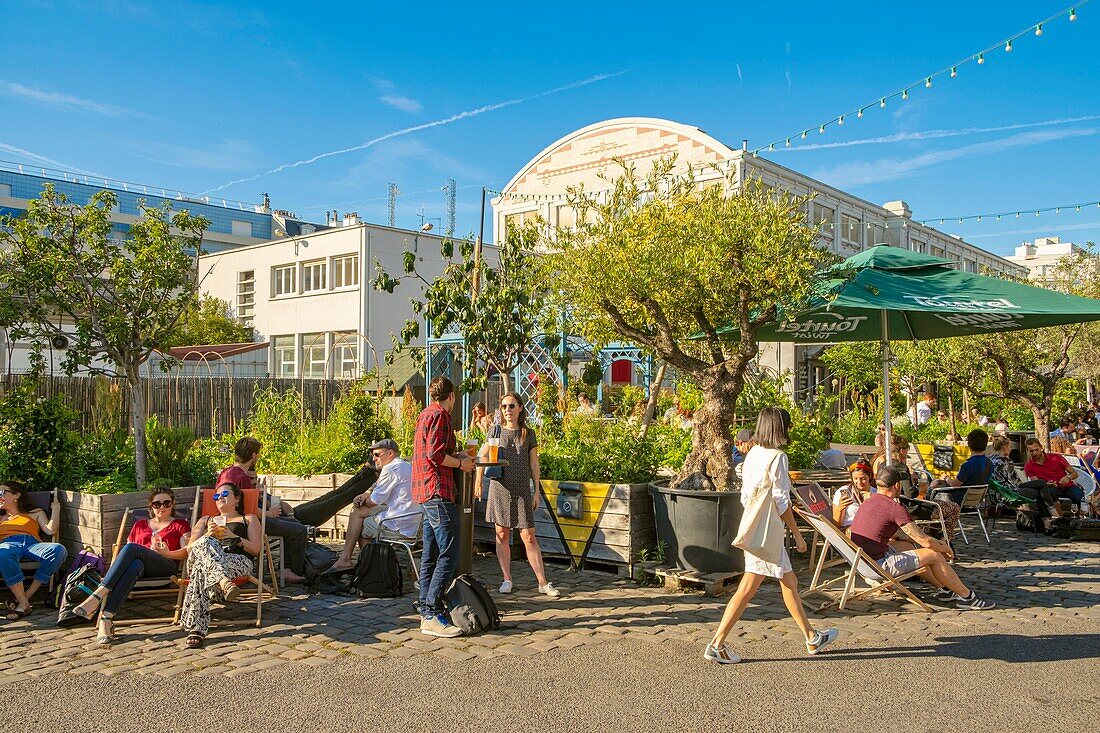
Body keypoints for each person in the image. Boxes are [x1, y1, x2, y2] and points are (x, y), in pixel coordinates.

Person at [704, 407, 839, 664]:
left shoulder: (753, 453)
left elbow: (748, 494)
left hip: (755, 526)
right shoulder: (778, 457)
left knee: (787, 582)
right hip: (768, 532)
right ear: (781, 428)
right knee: (749, 588)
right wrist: (798, 534)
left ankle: (811, 637)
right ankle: (716, 643)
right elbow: (781, 502)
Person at [850, 467, 995, 609]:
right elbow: (925, 540)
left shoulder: (868, 502)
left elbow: (899, 535)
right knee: (932, 554)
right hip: (878, 566)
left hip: (861, 562)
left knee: (912, 548)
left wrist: (930, 543)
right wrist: (944, 547)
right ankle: (967, 597)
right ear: (897, 485)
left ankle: (944, 589)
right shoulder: (894, 508)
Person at [73, 488, 191, 644]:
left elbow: (186, 553)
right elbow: (128, 555)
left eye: (166, 503)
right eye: (157, 503)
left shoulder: (180, 525)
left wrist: (167, 553)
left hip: (165, 566)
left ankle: (97, 595)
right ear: (151, 506)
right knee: (135, 563)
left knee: (131, 548)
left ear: (172, 504)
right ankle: (106, 620)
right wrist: (144, 552)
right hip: (140, 569)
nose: (162, 507)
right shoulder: (140, 524)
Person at [475, 392, 559, 597]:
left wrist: (536, 489)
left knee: (528, 536)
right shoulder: (495, 431)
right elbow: (482, 455)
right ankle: (507, 578)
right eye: (504, 406)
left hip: (521, 488)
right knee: (502, 534)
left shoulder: (527, 433)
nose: (507, 410)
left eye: (512, 406)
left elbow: (534, 463)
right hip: (500, 487)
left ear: (520, 408)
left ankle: (542, 582)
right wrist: (478, 481)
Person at [412, 376, 474, 639]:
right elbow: (435, 455)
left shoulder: (425, 413)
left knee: (431, 553)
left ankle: (425, 607)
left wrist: (457, 456)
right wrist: (461, 464)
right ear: (451, 396)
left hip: (425, 491)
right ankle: (431, 612)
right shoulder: (440, 416)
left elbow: (433, 451)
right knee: (450, 553)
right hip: (438, 490)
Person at [179, 482, 262, 648]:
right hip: (208, 560)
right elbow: (190, 549)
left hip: (237, 561)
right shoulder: (205, 520)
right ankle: (223, 581)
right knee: (205, 542)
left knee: (200, 571)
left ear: (237, 499)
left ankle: (197, 629)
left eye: (224, 494)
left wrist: (235, 538)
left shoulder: (249, 519)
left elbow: (256, 549)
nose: (219, 498)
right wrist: (207, 535)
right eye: (216, 496)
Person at [218, 436, 307, 585]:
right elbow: (249, 510)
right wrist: (269, 513)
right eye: (257, 454)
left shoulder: (226, 472)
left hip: (228, 519)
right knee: (300, 530)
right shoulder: (242, 478)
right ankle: (291, 571)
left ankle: (286, 568)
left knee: (293, 522)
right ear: (253, 455)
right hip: (246, 524)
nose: (258, 456)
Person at [331, 439, 418, 571]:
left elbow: (374, 500)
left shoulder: (391, 468)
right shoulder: (406, 465)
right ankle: (349, 560)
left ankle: (371, 569)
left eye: (377, 454)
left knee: (360, 527)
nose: (374, 458)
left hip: (400, 525)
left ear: (390, 453)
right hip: (413, 520)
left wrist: (363, 499)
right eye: (373, 455)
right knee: (358, 512)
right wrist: (366, 497)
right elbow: (378, 494)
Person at [872, 435, 960, 541]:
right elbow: (910, 494)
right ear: (902, 451)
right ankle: (944, 542)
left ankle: (932, 535)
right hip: (909, 509)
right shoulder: (901, 467)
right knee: (954, 507)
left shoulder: (882, 465)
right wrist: (919, 488)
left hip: (887, 505)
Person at [0, 480, 66, 621]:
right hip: (7, 544)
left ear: (16, 495)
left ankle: (24, 599)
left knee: (58, 549)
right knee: (2, 552)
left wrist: (56, 509)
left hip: (32, 544)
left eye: (1, 492)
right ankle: (24, 603)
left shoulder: (35, 512)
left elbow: (50, 530)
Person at [989, 435, 1060, 530]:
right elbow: (1014, 482)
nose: (1010, 449)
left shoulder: (989, 459)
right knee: (1040, 490)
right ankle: (1052, 516)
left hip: (996, 494)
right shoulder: (1005, 461)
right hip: (1008, 493)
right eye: (1009, 447)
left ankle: (1048, 521)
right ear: (1004, 447)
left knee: (1041, 484)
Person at [930, 429, 993, 505]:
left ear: (969, 445)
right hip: (977, 500)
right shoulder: (989, 463)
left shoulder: (967, 465)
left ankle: (925, 509)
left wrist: (946, 478)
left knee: (935, 484)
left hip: (960, 500)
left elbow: (954, 484)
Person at [1023, 437, 1085, 508]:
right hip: (1049, 489)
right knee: (1050, 494)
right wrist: (1047, 485)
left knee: (1079, 495)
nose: (1035, 453)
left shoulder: (1056, 457)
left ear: (1041, 447)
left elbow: (1074, 474)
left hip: (1067, 486)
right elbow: (1037, 483)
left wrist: (1068, 477)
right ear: (1028, 451)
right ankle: (1058, 517)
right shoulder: (1029, 466)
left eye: (1036, 450)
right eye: (1031, 451)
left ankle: (1079, 516)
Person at [832, 462, 873, 530]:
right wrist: (840, 507)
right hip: (849, 531)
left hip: (870, 530)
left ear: (870, 476)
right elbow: (836, 525)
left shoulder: (876, 493)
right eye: (855, 478)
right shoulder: (843, 492)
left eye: (863, 478)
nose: (859, 482)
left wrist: (874, 501)